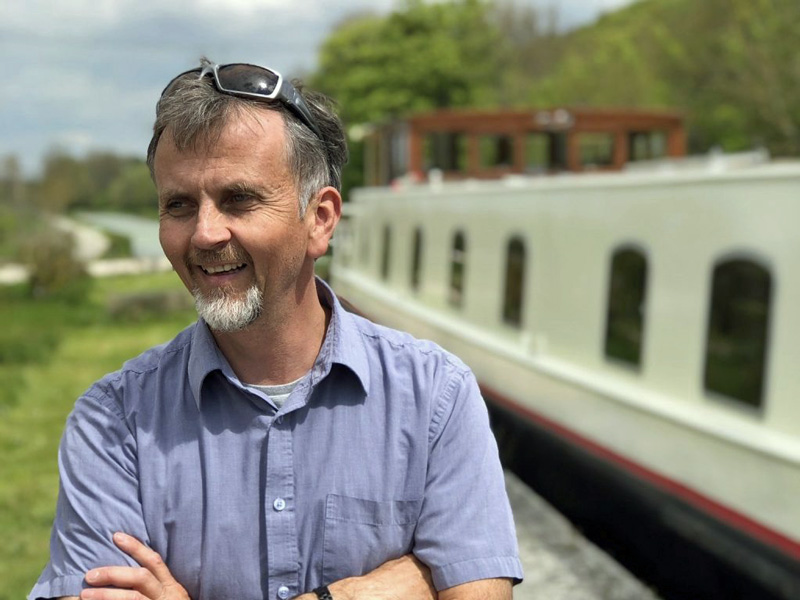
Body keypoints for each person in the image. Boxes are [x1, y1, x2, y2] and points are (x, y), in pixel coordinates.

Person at [29, 59, 523, 600]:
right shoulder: (112, 423)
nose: (205, 233)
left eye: (239, 199)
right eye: (179, 205)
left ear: (321, 220)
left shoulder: (436, 397)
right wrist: (368, 591)